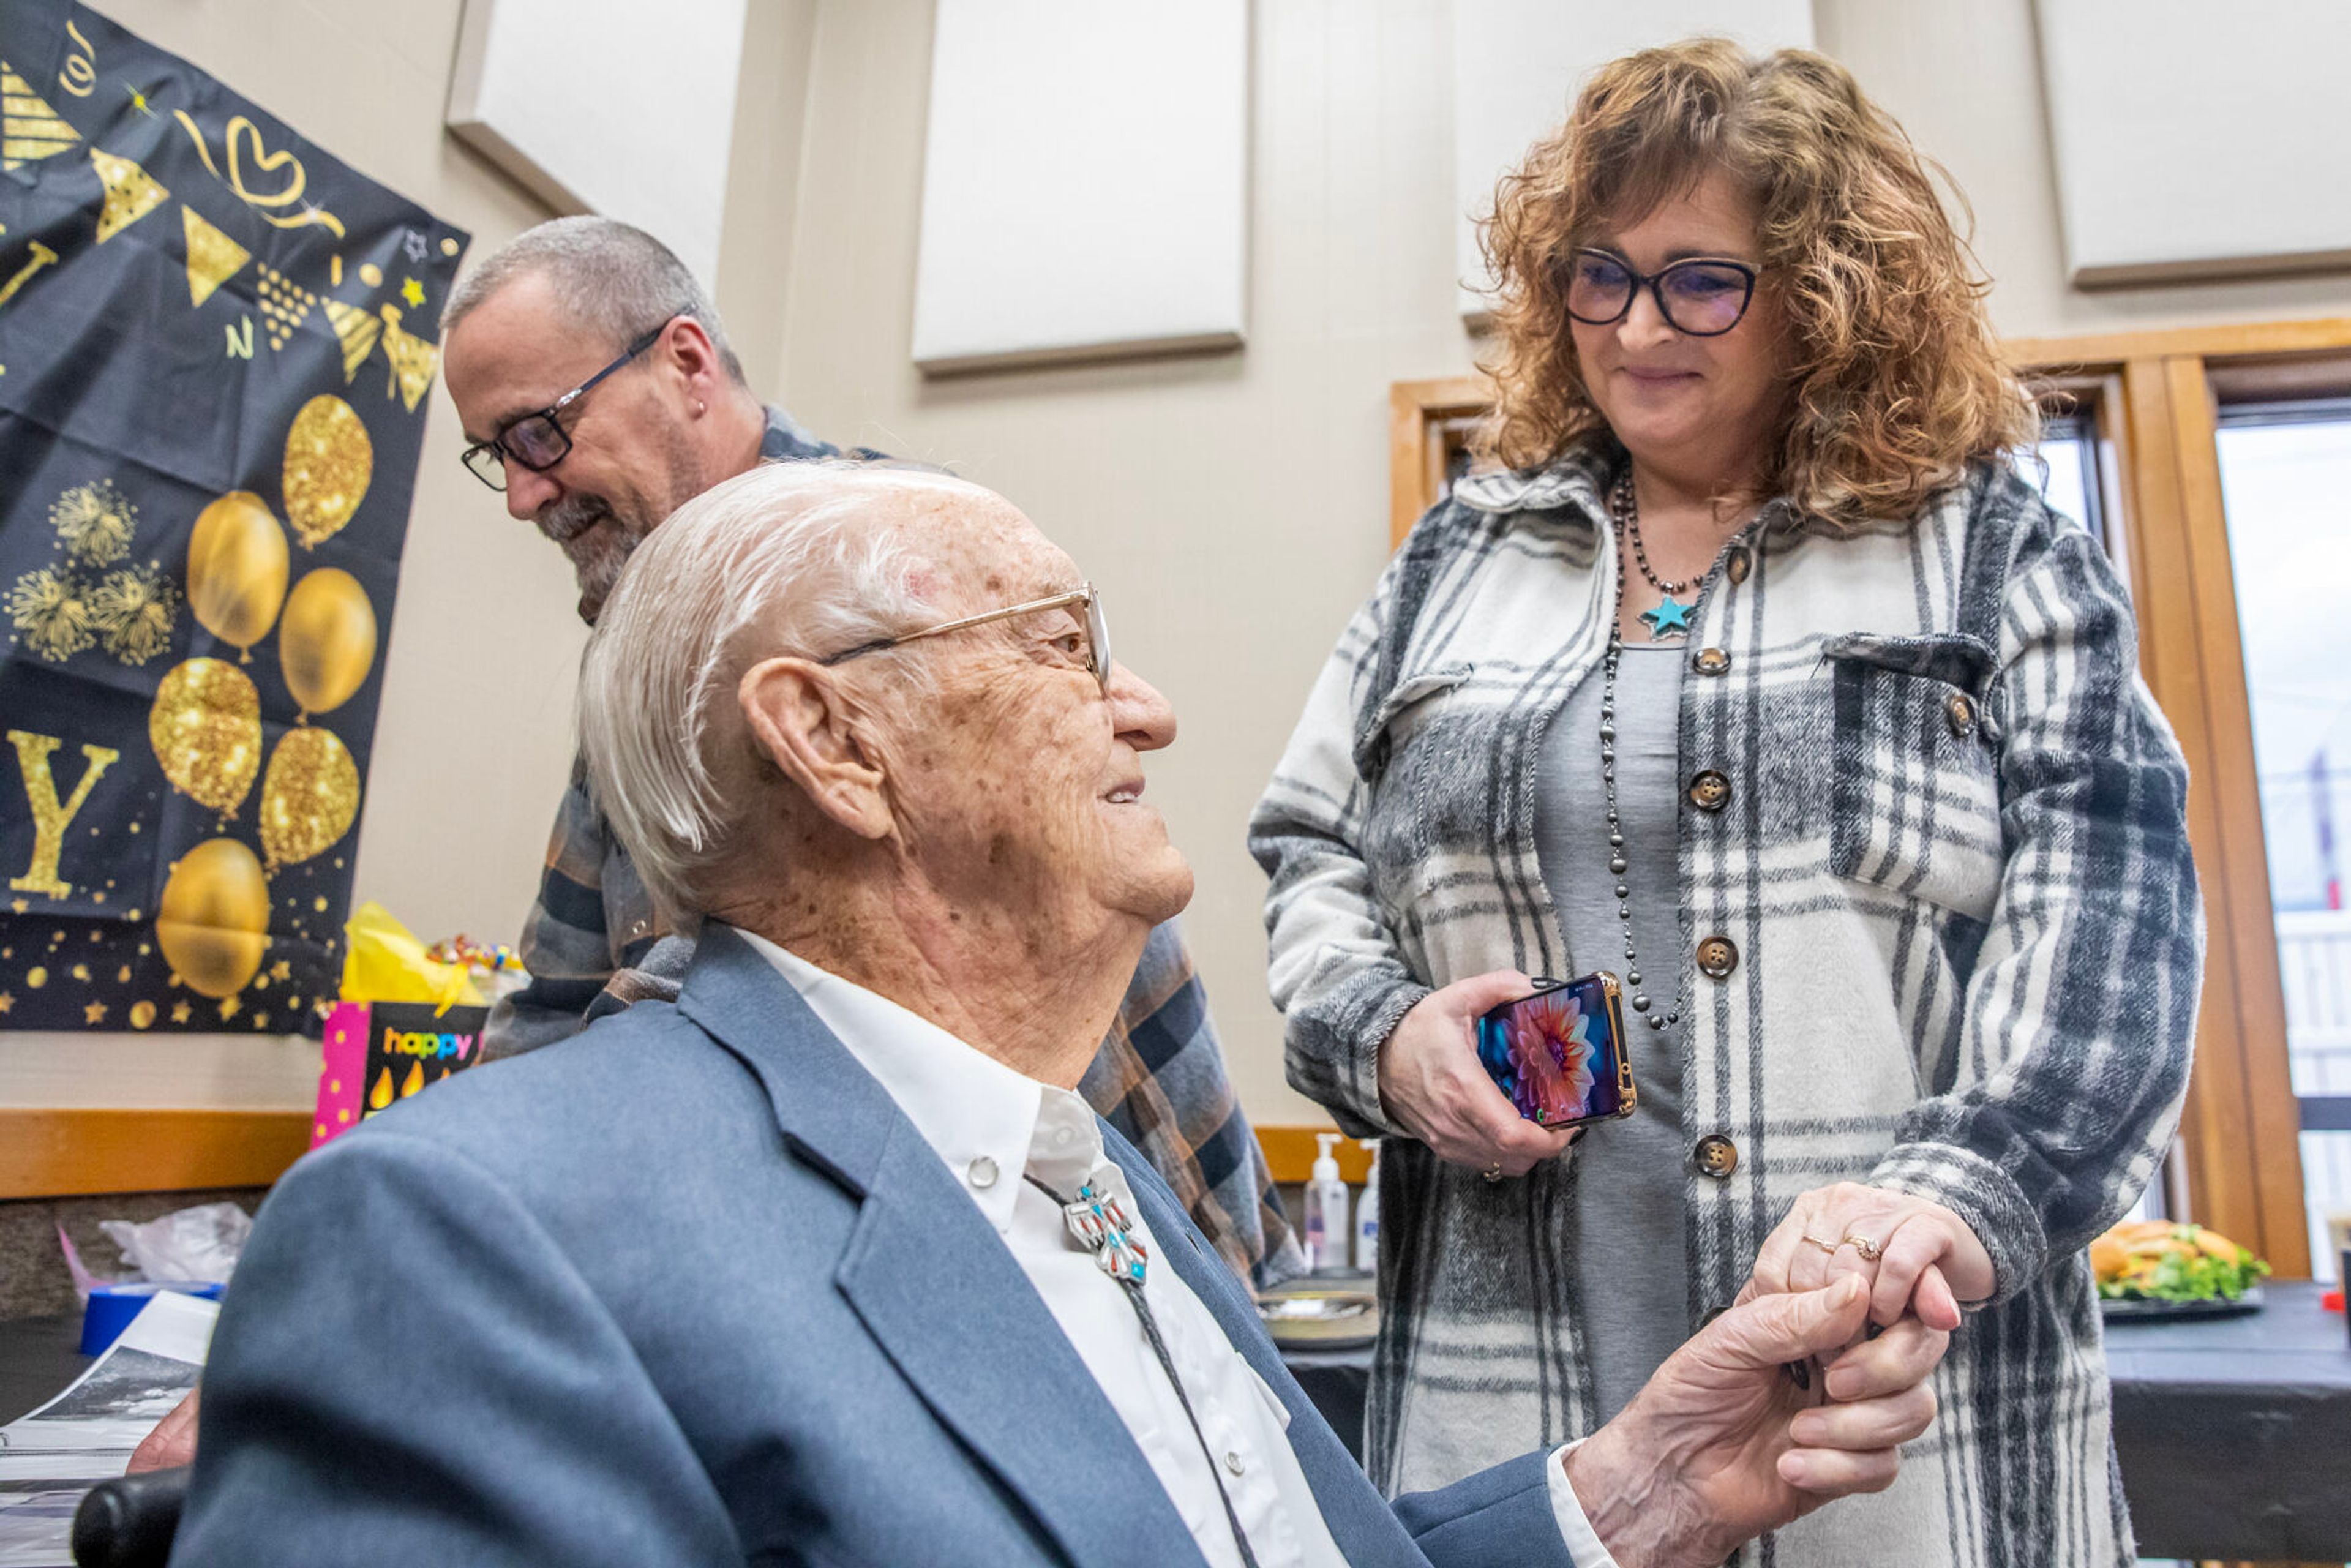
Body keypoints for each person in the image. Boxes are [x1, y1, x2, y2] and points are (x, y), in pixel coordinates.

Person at [172, 462, 1951, 1567]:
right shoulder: (463, 1235)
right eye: (1063, 646)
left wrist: (1635, 1492)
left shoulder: (1085, 1165)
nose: (1150, 709)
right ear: (837, 742)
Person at [122, 217, 1290, 1482]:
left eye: (537, 433)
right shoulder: (660, 633)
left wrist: (357, 1283)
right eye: (493, 457)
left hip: (1110, 1255)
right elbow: (561, 1005)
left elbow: (803, 995)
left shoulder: (894, 569)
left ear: (685, 363)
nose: (521, 491)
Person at [1250, 40, 2199, 1567]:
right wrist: (1386, 1037)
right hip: (1515, 1432)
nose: (1636, 326)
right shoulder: (1456, 557)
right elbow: (1307, 854)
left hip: (1894, 1427)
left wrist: (1930, 1216)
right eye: (1599, 275)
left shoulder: (1992, 556)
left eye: (1702, 282)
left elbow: (2110, 980)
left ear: (1824, 297)